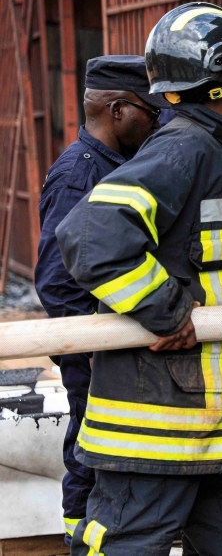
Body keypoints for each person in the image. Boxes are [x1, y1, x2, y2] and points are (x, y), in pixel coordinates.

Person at [56, 2, 222, 556]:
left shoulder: (217, 156)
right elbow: (91, 234)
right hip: (159, 435)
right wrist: (167, 311)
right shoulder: (188, 149)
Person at [35, 55, 165, 544]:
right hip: (94, 351)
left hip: (114, 345)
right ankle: (79, 543)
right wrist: (91, 348)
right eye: (149, 113)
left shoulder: (121, 166)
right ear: (117, 109)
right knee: (92, 459)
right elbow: (56, 280)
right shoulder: (80, 175)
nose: (155, 123)